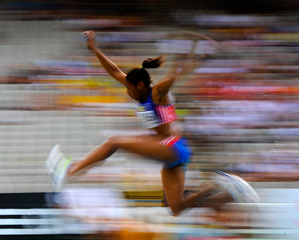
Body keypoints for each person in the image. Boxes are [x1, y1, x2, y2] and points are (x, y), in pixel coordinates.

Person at [45, 30, 251, 217]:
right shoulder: (140, 92)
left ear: (140, 85)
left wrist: (198, 52)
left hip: (172, 146)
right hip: (174, 153)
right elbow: (114, 71)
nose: (127, 92)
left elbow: (179, 75)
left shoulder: (158, 92)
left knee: (114, 142)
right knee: (177, 207)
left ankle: (69, 170)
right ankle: (223, 186)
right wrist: (96, 50)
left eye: (129, 89)